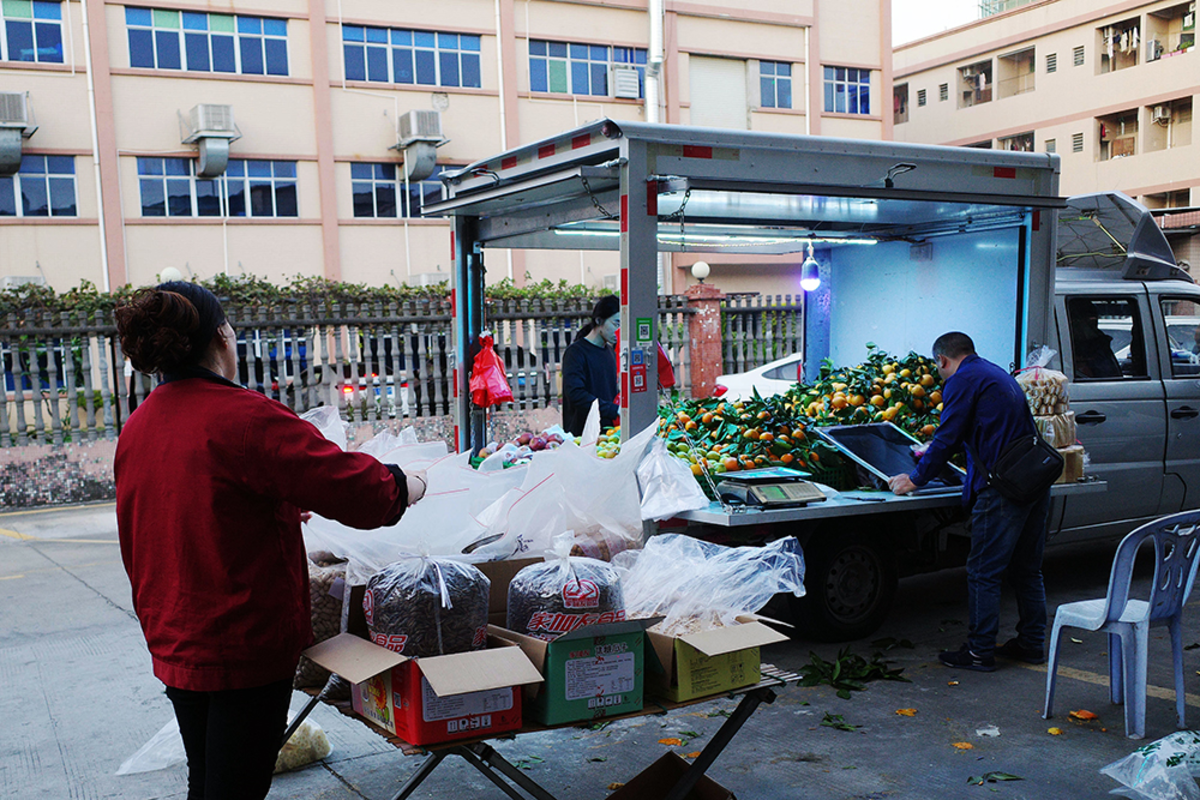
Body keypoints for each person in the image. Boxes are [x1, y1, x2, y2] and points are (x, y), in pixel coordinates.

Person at [113, 282, 427, 800]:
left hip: (174, 637)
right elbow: (352, 489)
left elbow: (189, 507)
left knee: (208, 780)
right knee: (235, 788)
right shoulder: (245, 417)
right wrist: (406, 484)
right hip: (241, 645)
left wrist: (275, 504)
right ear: (222, 337)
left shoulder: (140, 424)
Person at [888, 332, 1050, 673]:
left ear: (942, 360)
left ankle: (979, 651)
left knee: (983, 571)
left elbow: (948, 436)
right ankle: (1032, 643)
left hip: (1003, 489)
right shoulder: (995, 373)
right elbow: (988, 428)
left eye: (938, 367)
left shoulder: (961, 380)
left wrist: (915, 478)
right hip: (1032, 481)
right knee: (1027, 569)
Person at [561, 295, 620, 436]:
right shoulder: (575, 353)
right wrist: (613, 410)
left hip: (608, 434)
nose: (619, 331)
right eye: (616, 324)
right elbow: (576, 395)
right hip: (582, 434)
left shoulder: (610, 352)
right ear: (599, 321)